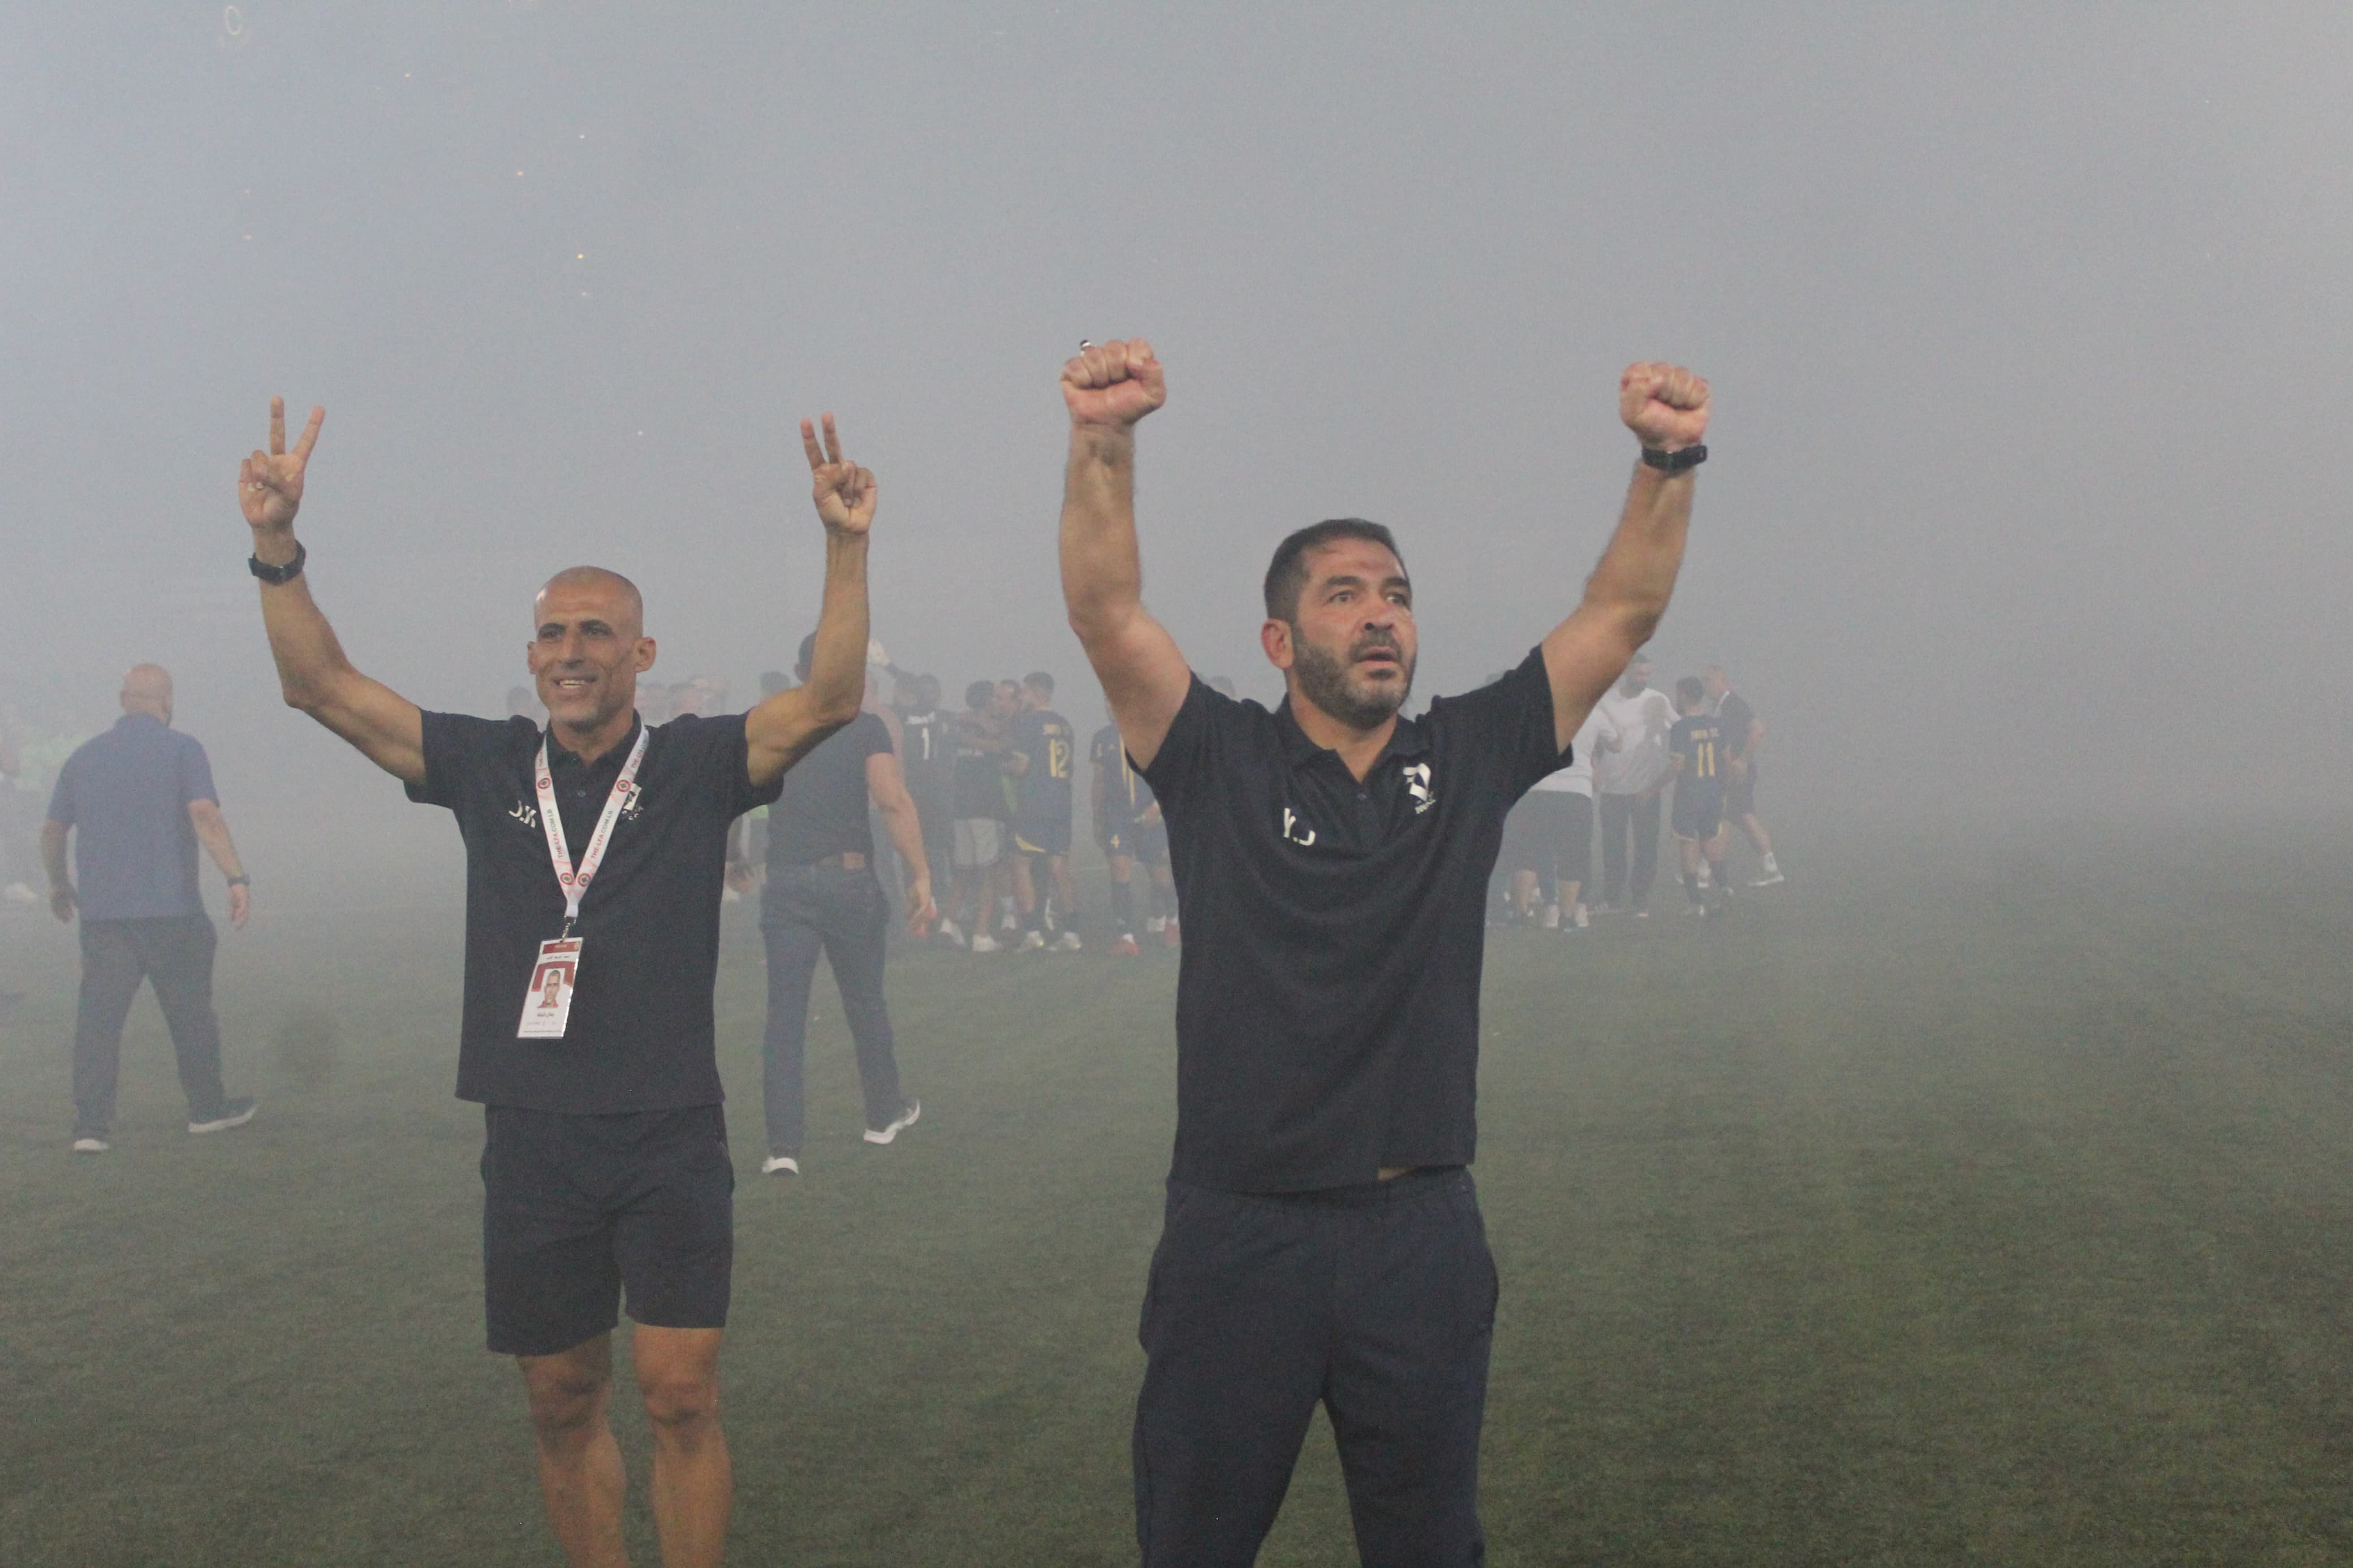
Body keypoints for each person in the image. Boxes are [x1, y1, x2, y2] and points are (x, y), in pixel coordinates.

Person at [1056, 338, 1708, 1565]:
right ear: (1278, 639)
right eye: (1345, 595)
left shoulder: (1467, 755)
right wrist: (1104, 436)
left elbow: (1621, 612)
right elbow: (1105, 612)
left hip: (1418, 1234)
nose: (1379, 617)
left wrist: (1666, 459)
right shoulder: (1215, 757)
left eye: (1397, 595)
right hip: (1239, 1232)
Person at [236, 395, 876, 1568]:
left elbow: (831, 699)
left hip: (668, 1126)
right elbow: (319, 686)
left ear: (641, 655)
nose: (571, 652)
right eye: (552, 635)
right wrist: (277, 544)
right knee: (561, 1398)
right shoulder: (486, 764)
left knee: (680, 1393)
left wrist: (844, 545)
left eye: (596, 632)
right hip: (533, 1130)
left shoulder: (695, 764)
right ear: (531, 656)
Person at [41, 664, 257, 1152]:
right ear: (168, 700)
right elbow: (203, 813)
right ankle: (206, 1109)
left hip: (105, 918)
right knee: (191, 1015)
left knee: (99, 1023)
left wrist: (58, 882)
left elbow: (53, 830)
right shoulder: (183, 749)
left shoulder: (84, 757)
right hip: (172, 912)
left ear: (123, 699)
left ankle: (91, 1127)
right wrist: (236, 876)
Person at [754, 632, 931, 1176]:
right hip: (847, 878)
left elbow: (743, 789)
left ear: (799, 669)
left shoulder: (774, 723)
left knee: (785, 1017)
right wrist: (921, 874)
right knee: (865, 1003)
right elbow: (893, 800)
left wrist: (735, 853)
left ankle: (784, 1146)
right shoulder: (864, 725)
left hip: (786, 880)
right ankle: (883, 1114)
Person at [1591, 650, 1677, 916]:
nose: (1644, 679)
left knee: (1646, 846)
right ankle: (1613, 897)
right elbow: (1594, 736)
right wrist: (1594, 767)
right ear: (1626, 671)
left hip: (1645, 787)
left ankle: (1641, 898)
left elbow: (1679, 730)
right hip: (1613, 786)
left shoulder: (1657, 700)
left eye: (1647, 674)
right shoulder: (1606, 701)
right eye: (1639, 673)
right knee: (1613, 846)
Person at [1091, 698, 1176, 955]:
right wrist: (1097, 819)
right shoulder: (1102, 739)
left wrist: (1157, 808)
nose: (1110, 707)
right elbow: (1099, 781)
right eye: (1107, 703)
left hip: (1149, 815)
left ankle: (1174, 920)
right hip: (1117, 817)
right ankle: (1126, 936)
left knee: (1160, 875)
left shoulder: (1152, 733)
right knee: (1119, 868)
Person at [1005, 671, 1081, 951]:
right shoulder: (1064, 724)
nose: (1020, 696)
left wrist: (1002, 766)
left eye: (1024, 692)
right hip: (1061, 802)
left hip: (1036, 802)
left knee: (1020, 863)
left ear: (1037, 694)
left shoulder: (1028, 722)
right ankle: (1072, 933)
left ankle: (1032, 933)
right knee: (1060, 866)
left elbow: (1021, 766)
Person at [942, 679, 1010, 951]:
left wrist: (968, 734)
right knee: (988, 872)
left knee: (963, 870)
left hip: (961, 808)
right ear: (987, 700)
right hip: (985, 807)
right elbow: (1002, 745)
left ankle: (949, 923)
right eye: (995, 697)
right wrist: (985, 735)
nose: (998, 702)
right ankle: (982, 935)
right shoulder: (995, 726)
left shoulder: (960, 724)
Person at [1704, 662, 1785, 887]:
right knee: (1729, 816)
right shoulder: (1721, 706)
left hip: (1737, 771)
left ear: (1724, 682)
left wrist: (1743, 760)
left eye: (1709, 681)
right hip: (1729, 771)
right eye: (1704, 681)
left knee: (1741, 815)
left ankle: (1769, 868)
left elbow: (1758, 729)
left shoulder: (1733, 703)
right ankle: (1709, 869)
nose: (1705, 686)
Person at [894, 672, 956, 931]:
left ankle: (935, 912)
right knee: (918, 857)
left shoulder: (940, 718)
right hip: (918, 796)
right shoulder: (904, 717)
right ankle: (922, 914)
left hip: (932, 798)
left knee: (933, 856)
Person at [1666, 676, 1730, 915]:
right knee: (1710, 841)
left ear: (1683, 694)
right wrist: (1723, 789)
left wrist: (1653, 787)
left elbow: (1677, 766)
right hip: (1713, 792)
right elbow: (1727, 761)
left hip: (1689, 794)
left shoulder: (1681, 728)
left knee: (1687, 844)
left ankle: (1695, 903)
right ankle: (1726, 889)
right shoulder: (1717, 725)